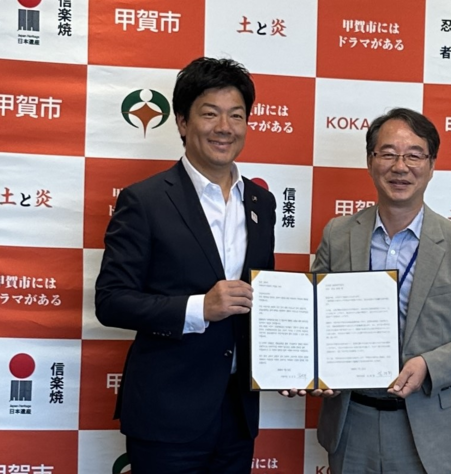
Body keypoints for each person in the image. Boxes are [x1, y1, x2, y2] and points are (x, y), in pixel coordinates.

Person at [289, 108, 451, 474]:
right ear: (370, 161)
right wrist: (306, 368)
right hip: (351, 421)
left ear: (431, 165)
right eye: (388, 154)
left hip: (428, 428)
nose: (400, 167)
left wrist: (429, 366)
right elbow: (314, 317)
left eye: (414, 155)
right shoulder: (338, 235)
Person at [95, 57, 276, 474]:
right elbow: (111, 301)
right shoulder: (145, 200)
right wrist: (200, 308)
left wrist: (293, 363)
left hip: (237, 412)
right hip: (167, 413)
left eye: (236, 115)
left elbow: (260, 298)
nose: (224, 127)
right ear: (181, 122)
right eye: (210, 114)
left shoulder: (260, 203)